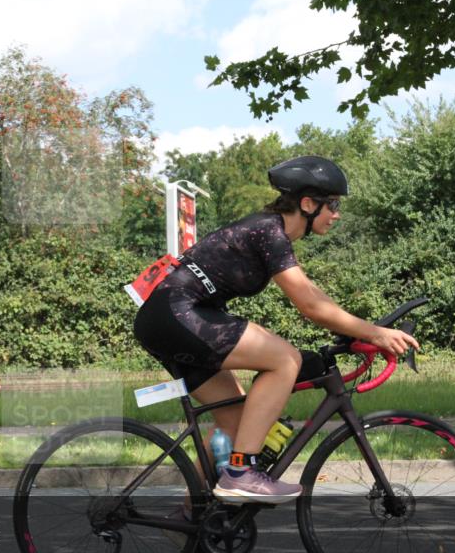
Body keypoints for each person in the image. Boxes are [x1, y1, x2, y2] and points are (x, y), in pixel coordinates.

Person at [133, 156, 419, 504]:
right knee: (285, 359)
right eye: (333, 205)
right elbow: (310, 305)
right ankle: (241, 473)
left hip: (169, 317)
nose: (337, 214)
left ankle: (192, 514)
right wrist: (374, 333)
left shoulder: (269, 231)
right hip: (177, 314)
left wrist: (357, 328)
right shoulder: (270, 232)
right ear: (308, 204)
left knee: (236, 420)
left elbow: (312, 294)